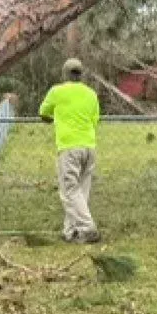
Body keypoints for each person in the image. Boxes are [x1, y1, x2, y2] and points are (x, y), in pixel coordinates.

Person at [39, 58, 101, 243]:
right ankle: (70, 231)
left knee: (69, 191)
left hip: (69, 147)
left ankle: (87, 228)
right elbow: (95, 119)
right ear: (81, 75)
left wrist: (55, 118)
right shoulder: (91, 94)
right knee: (81, 190)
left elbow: (43, 113)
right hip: (89, 147)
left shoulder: (57, 91)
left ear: (64, 74)